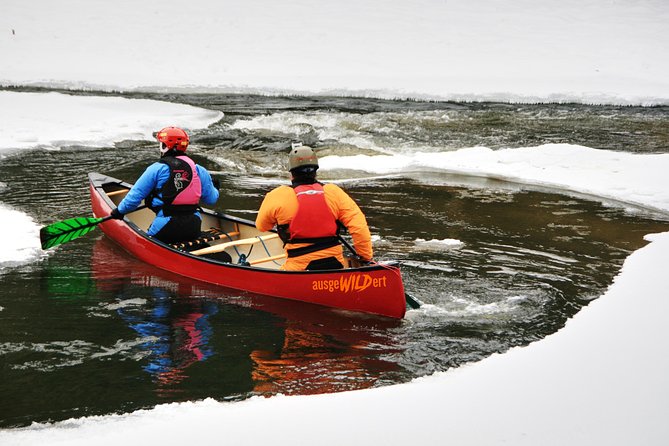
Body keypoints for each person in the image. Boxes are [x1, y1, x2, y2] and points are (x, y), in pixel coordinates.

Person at [255, 144, 373, 271]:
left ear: (291, 173)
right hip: (336, 266)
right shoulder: (334, 192)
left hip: (298, 268)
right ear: (316, 171)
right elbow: (359, 227)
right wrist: (365, 257)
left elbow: (262, 226)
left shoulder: (277, 195)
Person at [110, 126, 219, 244]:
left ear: (164, 146)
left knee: (147, 241)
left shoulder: (156, 169)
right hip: (194, 226)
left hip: (166, 227)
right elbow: (212, 199)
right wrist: (215, 188)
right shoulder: (199, 169)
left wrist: (119, 211)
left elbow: (134, 197)